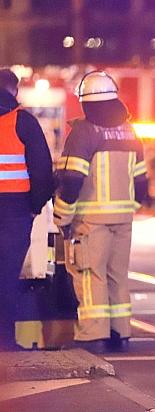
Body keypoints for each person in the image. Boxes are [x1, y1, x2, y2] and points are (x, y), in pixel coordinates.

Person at [53, 71, 147, 353]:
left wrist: (62, 215)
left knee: (90, 274)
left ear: (86, 103)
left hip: (92, 220)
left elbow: (71, 179)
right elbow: (141, 182)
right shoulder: (131, 132)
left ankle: (93, 335)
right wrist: (130, 207)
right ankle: (121, 333)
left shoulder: (83, 132)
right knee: (118, 275)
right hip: (123, 218)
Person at [0, 69, 54, 351]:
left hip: (15, 209)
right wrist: (34, 206)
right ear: (15, 91)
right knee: (7, 276)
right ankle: (5, 340)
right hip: (14, 210)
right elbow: (43, 171)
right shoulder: (24, 122)